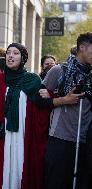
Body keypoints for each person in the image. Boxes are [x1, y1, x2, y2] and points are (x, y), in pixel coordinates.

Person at [0, 43, 51, 189]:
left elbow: (43, 108)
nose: (10, 56)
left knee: (20, 170)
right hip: (0, 137)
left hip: (23, 137)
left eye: (15, 53)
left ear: (23, 58)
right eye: (8, 53)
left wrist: (49, 95)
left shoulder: (33, 80)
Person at [43, 32, 92, 189]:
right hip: (60, 138)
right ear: (82, 47)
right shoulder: (59, 70)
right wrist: (64, 100)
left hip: (85, 141)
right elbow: (38, 101)